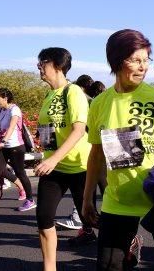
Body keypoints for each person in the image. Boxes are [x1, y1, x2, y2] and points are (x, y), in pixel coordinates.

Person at [81, 29, 154, 270]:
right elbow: (96, 155)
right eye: (135, 60)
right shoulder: (99, 104)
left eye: (146, 60)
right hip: (118, 200)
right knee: (107, 266)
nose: (143, 67)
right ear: (116, 60)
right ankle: (131, 246)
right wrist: (87, 199)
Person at [33, 47, 95, 270]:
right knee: (44, 218)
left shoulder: (74, 92)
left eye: (43, 61)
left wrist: (52, 159)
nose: (39, 66)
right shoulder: (49, 95)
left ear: (58, 65)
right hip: (54, 168)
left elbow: (78, 130)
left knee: (89, 218)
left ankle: (126, 243)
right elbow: (51, 128)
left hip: (79, 166)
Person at [56, 79, 107, 231]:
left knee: (87, 189)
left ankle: (86, 223)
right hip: (99, 151)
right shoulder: (97, 102)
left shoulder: (85, 101)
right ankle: (89, 226)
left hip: (91, 152)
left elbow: (85, 128)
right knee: (100, 190)